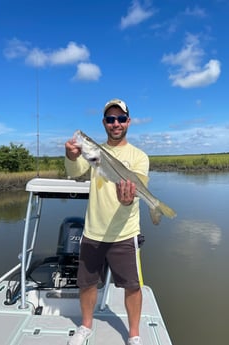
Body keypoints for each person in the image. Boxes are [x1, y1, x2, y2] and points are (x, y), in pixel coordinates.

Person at [65, 98, 149, 345]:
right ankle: (85, 326)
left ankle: (134, 335)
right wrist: (70, 155)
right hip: (93, 231)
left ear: (128, 122)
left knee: (133, 287)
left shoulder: (139, 156)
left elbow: (137, 189)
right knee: (87, 283)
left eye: (121, 119)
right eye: (111, 119)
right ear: (104, 123)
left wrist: (127, 199)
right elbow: (75, 173)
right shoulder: (94, 154)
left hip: (125, 232)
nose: (116, 123)